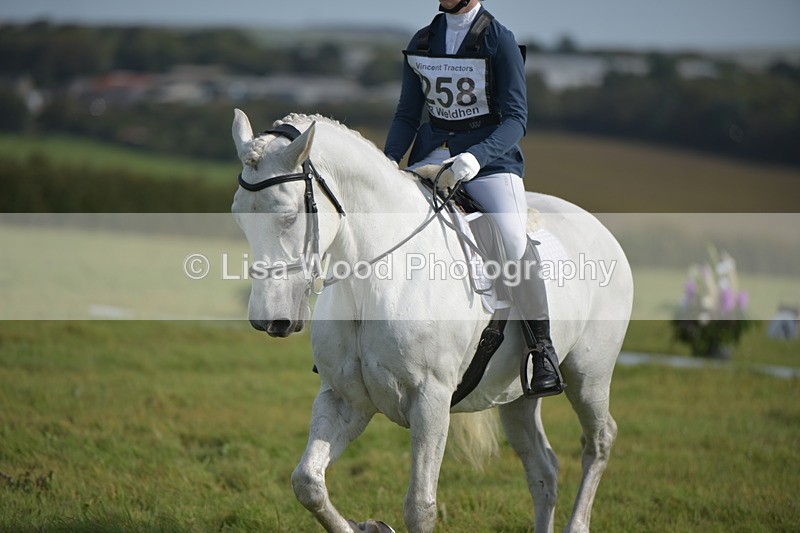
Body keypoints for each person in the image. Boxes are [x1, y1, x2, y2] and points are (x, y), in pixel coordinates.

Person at [384, 0, 565, 397]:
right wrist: (388, 161)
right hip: (431, 156)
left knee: (513, 241)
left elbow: (516, 119)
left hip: (489, 162)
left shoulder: (500, 40)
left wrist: (476, 157)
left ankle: (542, 350)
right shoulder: (423, 41)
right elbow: (407, 116)